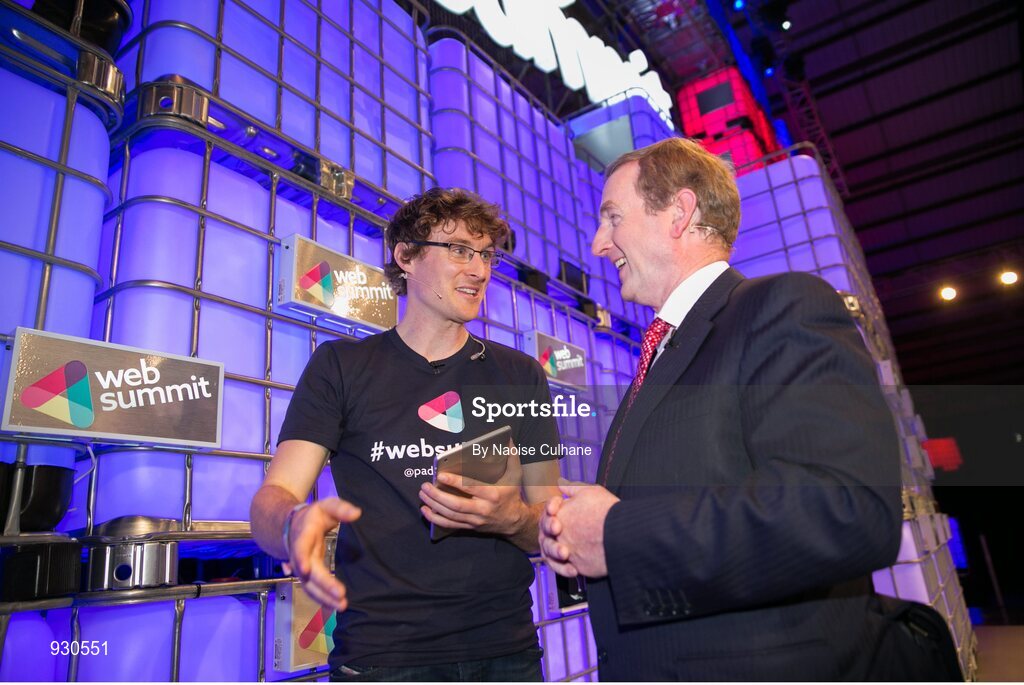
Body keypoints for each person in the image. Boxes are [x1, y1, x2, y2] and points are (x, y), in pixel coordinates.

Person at [538, 138, 940, 680]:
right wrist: (583, 523)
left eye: (612, 217)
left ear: (679, 213)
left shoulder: (782, 308)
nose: (597, 243)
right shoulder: (662, 351)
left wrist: (618, 534)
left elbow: (843, 509)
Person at [251, 187, 561, 681]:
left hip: (506, 652)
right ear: (406, 256)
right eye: (459, 250)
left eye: (486, 255)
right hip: (381, 656)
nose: (479, 270)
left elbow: (550, 521)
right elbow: (274, 495)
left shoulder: (521, 375)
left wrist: (511, 518)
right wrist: (291, 526)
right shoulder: (341, 367)